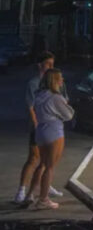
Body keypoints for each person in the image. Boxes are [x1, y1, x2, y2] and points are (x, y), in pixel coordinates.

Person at [14, 51, 65, 204]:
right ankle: (22, 190)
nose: (51, 66)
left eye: (52, 64)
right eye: (48, 64)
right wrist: (37, 125)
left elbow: (64, 102)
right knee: (34, 158)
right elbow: (31, 107)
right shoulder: (34, 83)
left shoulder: (56, 81)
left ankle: (44, 187)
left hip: (52, 128)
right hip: (40, 127)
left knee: (47, 162)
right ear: (40, 65)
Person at [29, 69, 74, 209]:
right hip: (54, 130)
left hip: (41, 130)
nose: (62, 81)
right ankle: (43, 199)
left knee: (42, 164)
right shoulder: (56, 97)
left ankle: (32, 194)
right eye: (60, 78)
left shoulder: (39, 95)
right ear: (54, 80)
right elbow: (68, 115)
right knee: (49, 167)